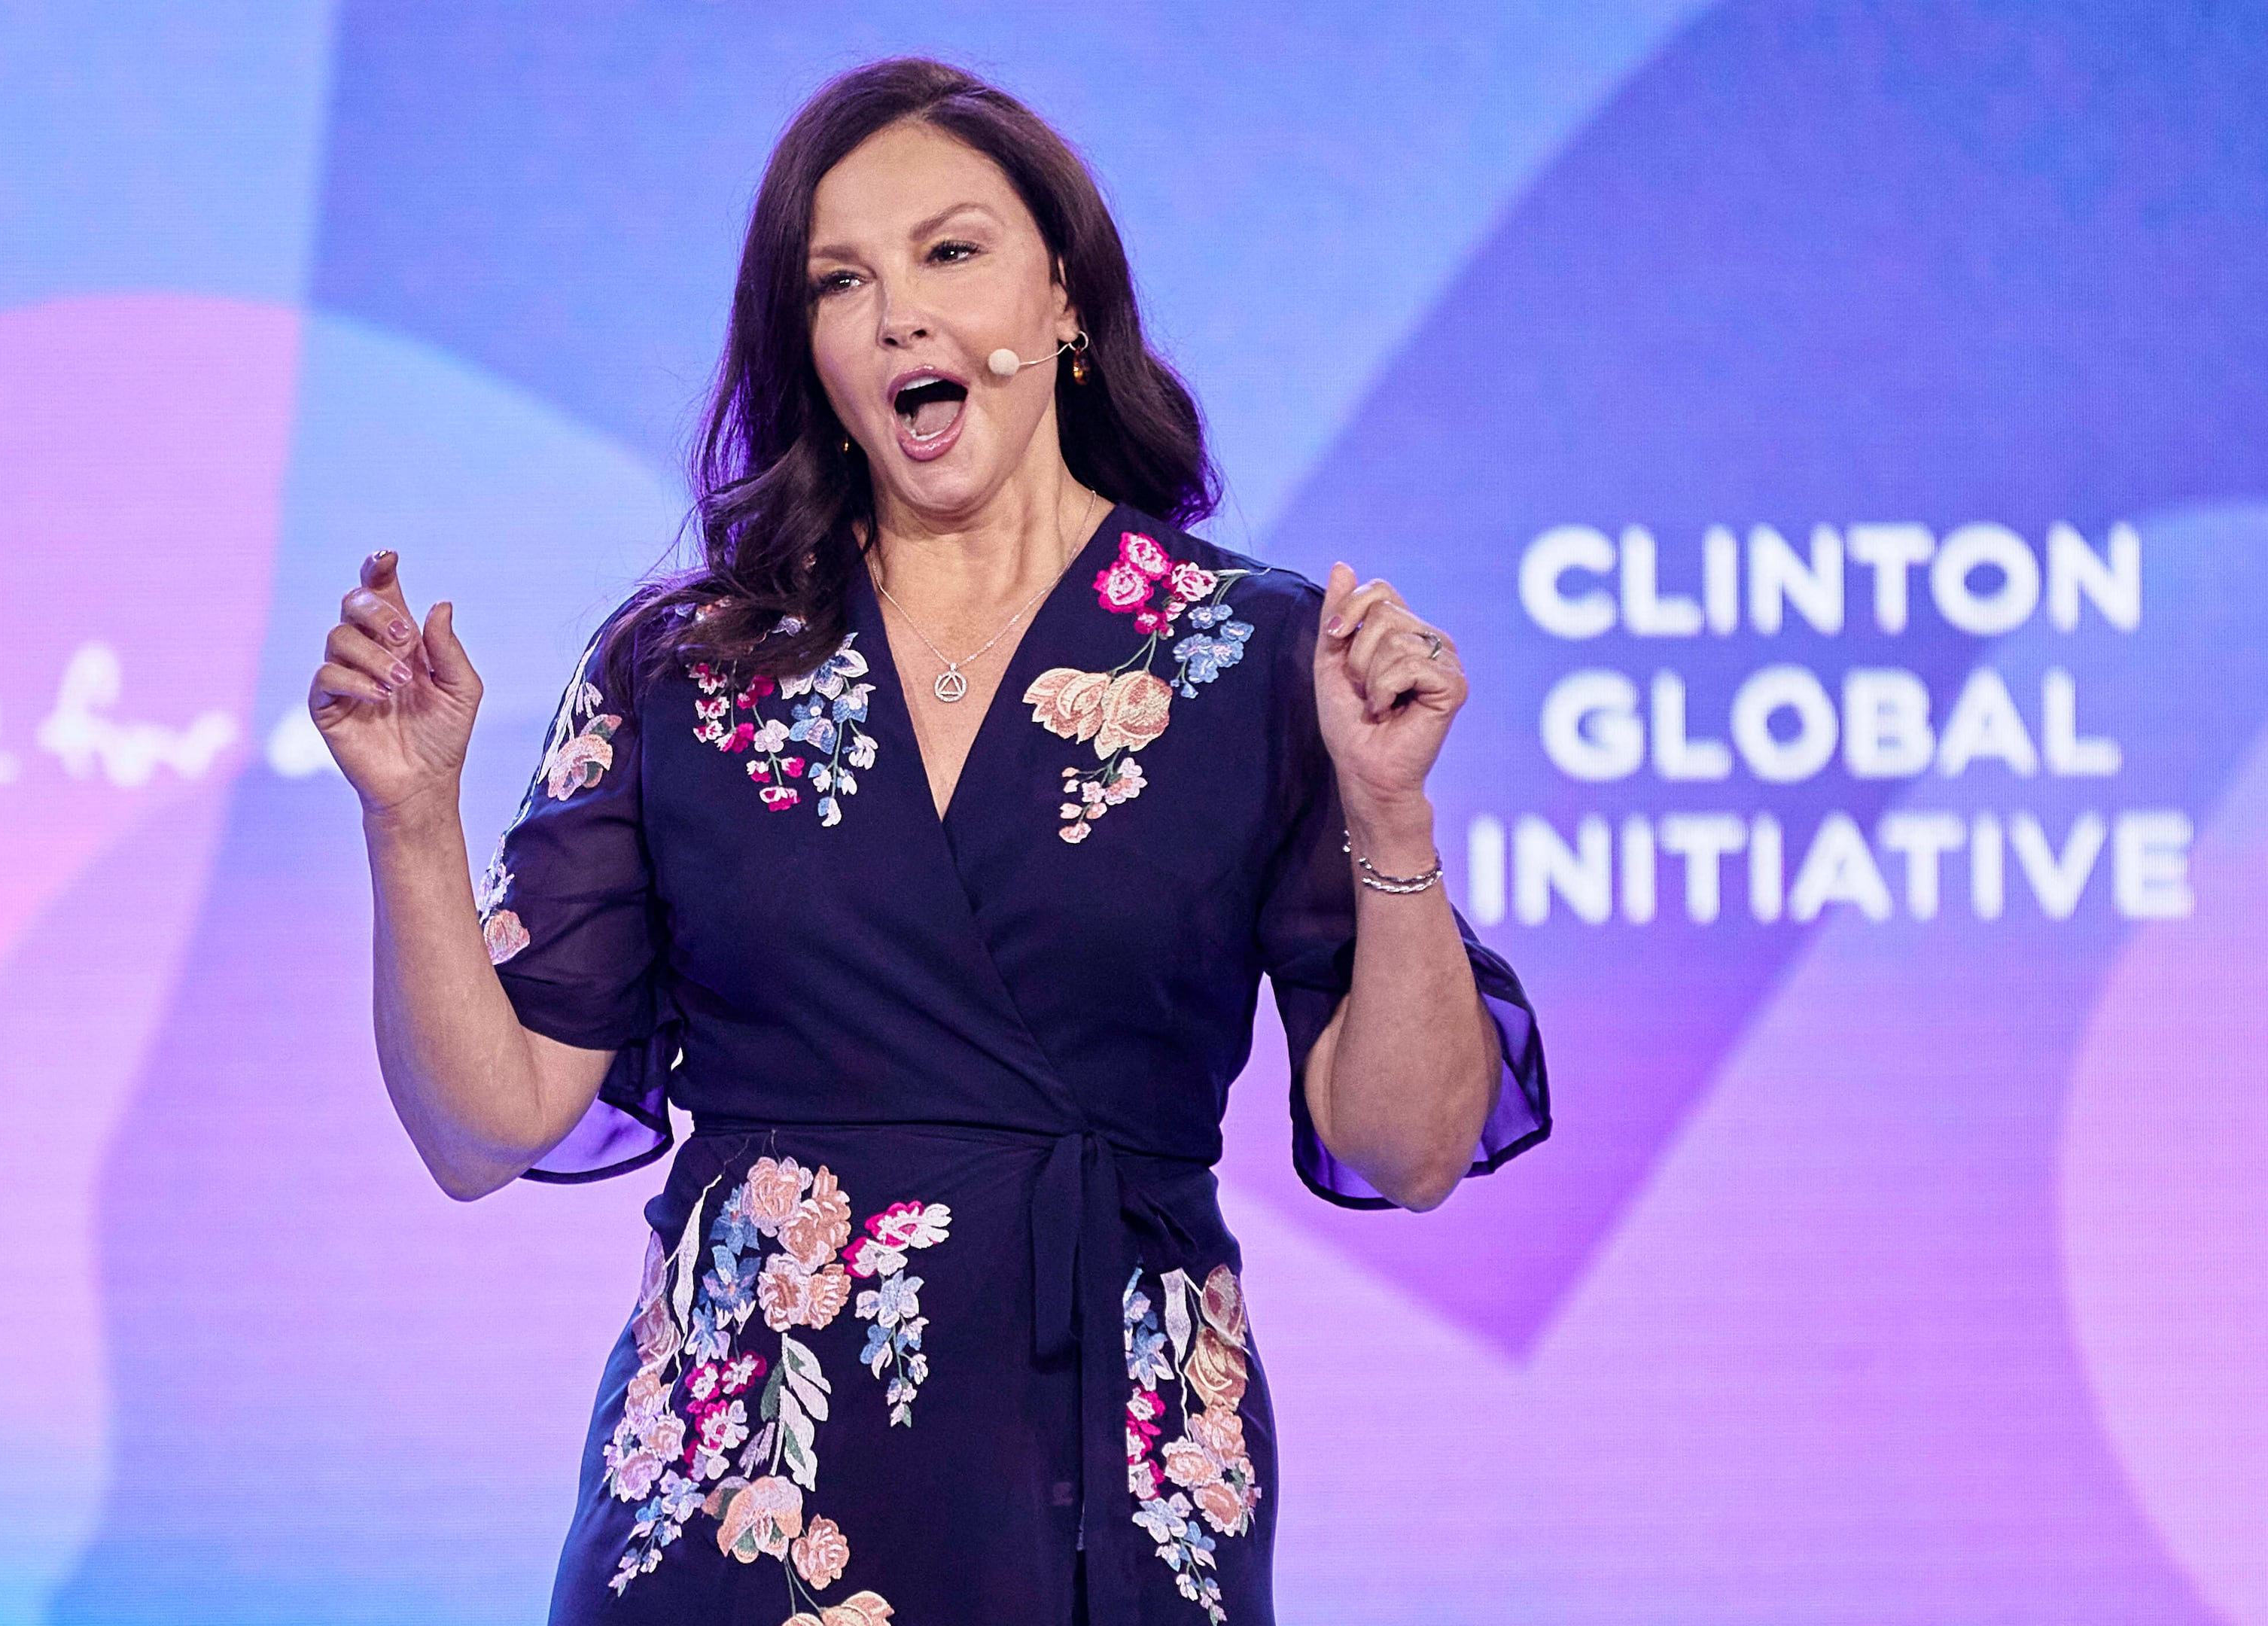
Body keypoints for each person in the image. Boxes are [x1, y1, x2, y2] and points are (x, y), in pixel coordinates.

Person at [309, 56, 1548, 1626]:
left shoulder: (1254, 659)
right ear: (811, 351)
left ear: (1069, 304)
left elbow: (1413, 1145)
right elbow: (481, 1128)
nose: (898, 313)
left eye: (949, 253)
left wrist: (1390, 816)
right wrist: (409, 819)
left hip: (1109, 1482)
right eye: (842, 281)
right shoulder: (686, 673)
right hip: (739, 1496)